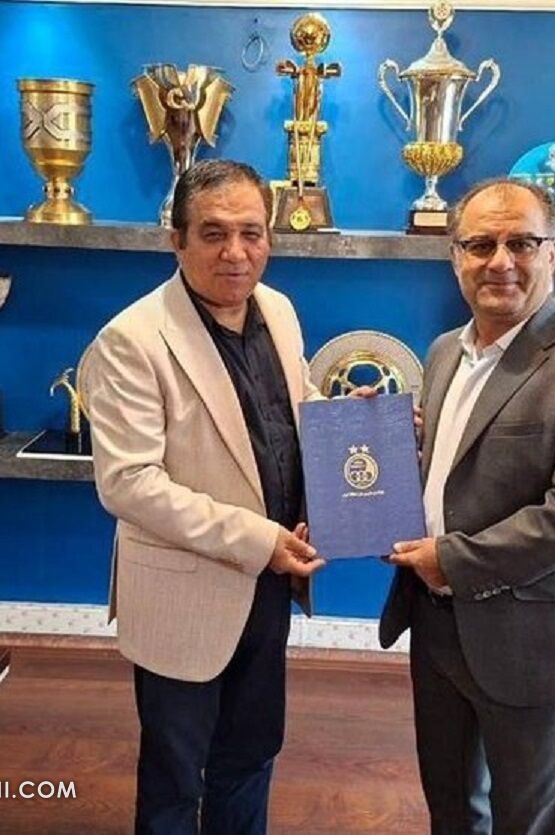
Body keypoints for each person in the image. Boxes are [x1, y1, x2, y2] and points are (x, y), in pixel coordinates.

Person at [379, 177, 555, 834]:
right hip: (434, 622)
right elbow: (456, 470)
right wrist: (387, 447)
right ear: (455, 257)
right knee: (450, 806)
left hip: (527, 633)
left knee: (527, 818)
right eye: (480, 244)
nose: (500, 261)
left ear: (553, 252)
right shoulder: (445, 351)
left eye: (521, 243)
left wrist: (452, 560)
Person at [79, 159, 325, 835]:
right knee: (175, 775)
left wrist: (353, 424)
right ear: (177, 240)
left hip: (270, 584)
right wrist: (260, 540)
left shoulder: (279, 310)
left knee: (251, 752)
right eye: (213, 233)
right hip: (184, 592)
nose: (236, 253)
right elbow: (129, 482)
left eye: (252, 232)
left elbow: (291, 409)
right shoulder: (131, 339)